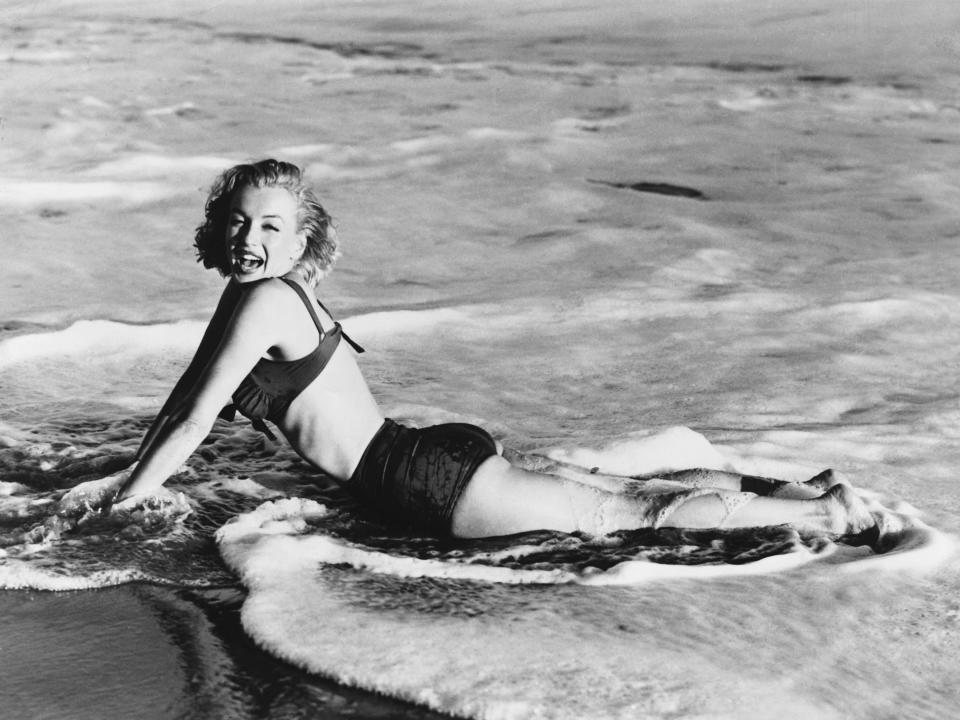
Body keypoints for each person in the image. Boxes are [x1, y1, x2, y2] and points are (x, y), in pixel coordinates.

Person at [114, 159, 877, 541]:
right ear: (220, 226)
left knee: (629, 514)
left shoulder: (262, 300)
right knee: (607, 485)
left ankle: (826, 514)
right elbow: (186, 402)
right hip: (424, 455)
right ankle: (799, 489)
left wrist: (124, 503)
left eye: (270, 227)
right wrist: (129, 477)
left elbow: (192, 419)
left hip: (424, 483)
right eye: (240, 224)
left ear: (301, 237)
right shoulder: (266, 293)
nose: (250, 240)